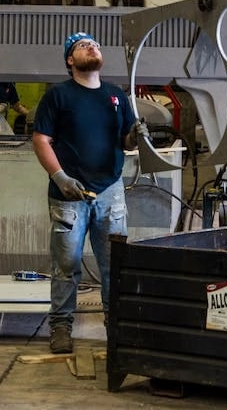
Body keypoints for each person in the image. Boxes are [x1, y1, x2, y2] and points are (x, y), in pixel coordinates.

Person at [32, 31, 148, 354]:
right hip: (68, 195)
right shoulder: (58, 96)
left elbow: (124, 141)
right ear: (71, 60)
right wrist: (60, 176)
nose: (91, 47)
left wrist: (135, 138)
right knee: (66, 265)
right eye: (82, 46)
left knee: (114, 264)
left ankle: (117, 326)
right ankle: (61, 327)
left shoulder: (115, 96)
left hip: (110, 193)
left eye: (95, 44)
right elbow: (41, 140)